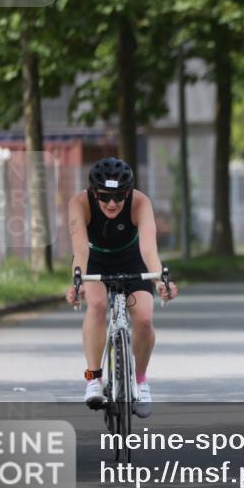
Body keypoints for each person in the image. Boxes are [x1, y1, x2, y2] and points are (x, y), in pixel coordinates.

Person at [66, 157, 178, 417]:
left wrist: (161, 281)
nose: (112, 204)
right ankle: (93, 379)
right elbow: (80, 249)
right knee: (96, 304)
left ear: (128, 193)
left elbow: (149, 249)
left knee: (145, 317)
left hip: (131, 259)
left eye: (119, 197)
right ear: (94, 193)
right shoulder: (79, 203)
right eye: (104, 197)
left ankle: (140, 380)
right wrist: (77, 281)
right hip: (95, 260)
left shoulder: (140, 202)